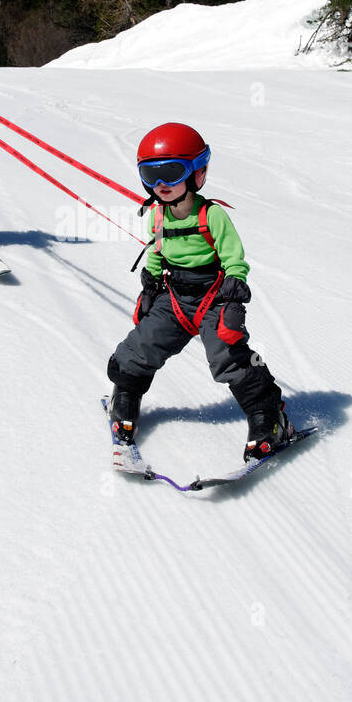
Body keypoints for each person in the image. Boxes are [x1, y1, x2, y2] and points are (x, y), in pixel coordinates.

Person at [107, 122, 295, 462]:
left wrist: (234, 298)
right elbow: (156, 252)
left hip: (213, 296)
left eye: (171, 172)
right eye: (151, 175)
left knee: (227, 353)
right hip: (175, 298)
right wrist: (149, 286)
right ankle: (126, 394)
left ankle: (269, 417)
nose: (161, 184)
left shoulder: (213, 215)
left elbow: (234, 260)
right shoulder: (157, 216)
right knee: (141, 343)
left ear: (197, 173)